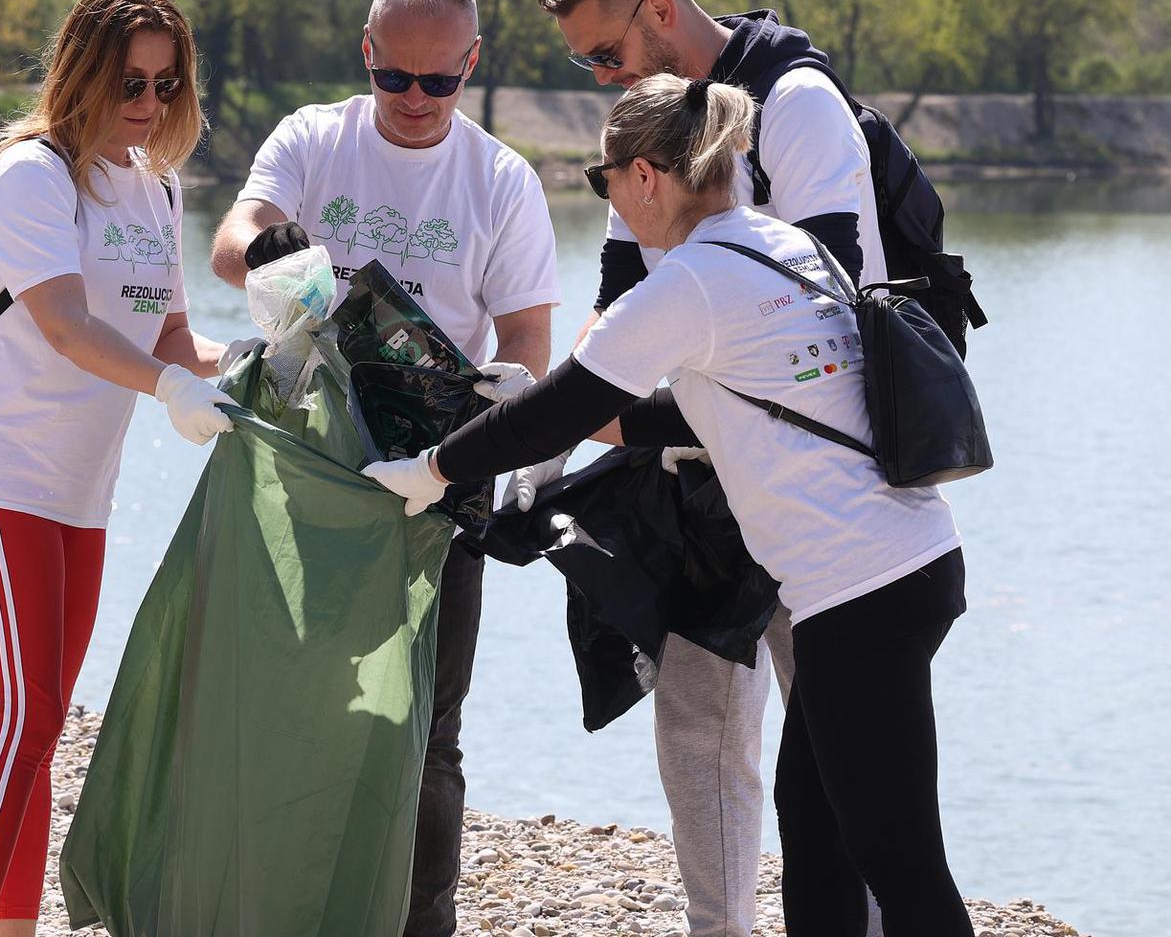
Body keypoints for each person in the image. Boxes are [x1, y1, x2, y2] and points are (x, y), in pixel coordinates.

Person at [365, 73, 974, 937]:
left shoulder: (688, 283)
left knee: (899, 862)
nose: (609, 197)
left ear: (643, 175)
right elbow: (697, 410)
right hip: (911, 564)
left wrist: (430, 467)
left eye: (602, 181)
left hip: (857, 595)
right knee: (820, 834)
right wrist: (534, 404)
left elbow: (560, 413)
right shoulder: (782, 244)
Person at [520, 0, 888, 937]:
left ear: (659, 11)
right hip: (694, 479)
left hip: (815, 487)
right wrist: (544, 440)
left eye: (604, 53)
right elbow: (611, 306)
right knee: (697, 731)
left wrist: (623, 423)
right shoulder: (643, 134)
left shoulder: (799, 107)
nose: (598, 77)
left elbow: (834, 315)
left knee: (839, 763)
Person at [209, 0, 560, 937]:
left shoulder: (502, 180)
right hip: (311, 450)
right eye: (394, 78)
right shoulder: (314, 138)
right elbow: (231, 239)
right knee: (295, 701)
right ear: (366, 51)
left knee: (424, 732)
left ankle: (419, 923)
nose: (413, 101)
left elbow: (527, 338)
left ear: (472, 67)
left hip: (438, 468)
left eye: (438, 84)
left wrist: (512, 388)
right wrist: (318, 292)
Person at [0, 0, 237, 937]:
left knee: (43, 723)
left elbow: (174, 338)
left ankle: (9, 927)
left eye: (164, 85)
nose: (145, 105)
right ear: (82, 74)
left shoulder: (156, 186)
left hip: (77, 495)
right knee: (13, 722)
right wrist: (169, 390)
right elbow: (63, 323)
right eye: (129, 83)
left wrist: (260, 359)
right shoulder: (31, 174)